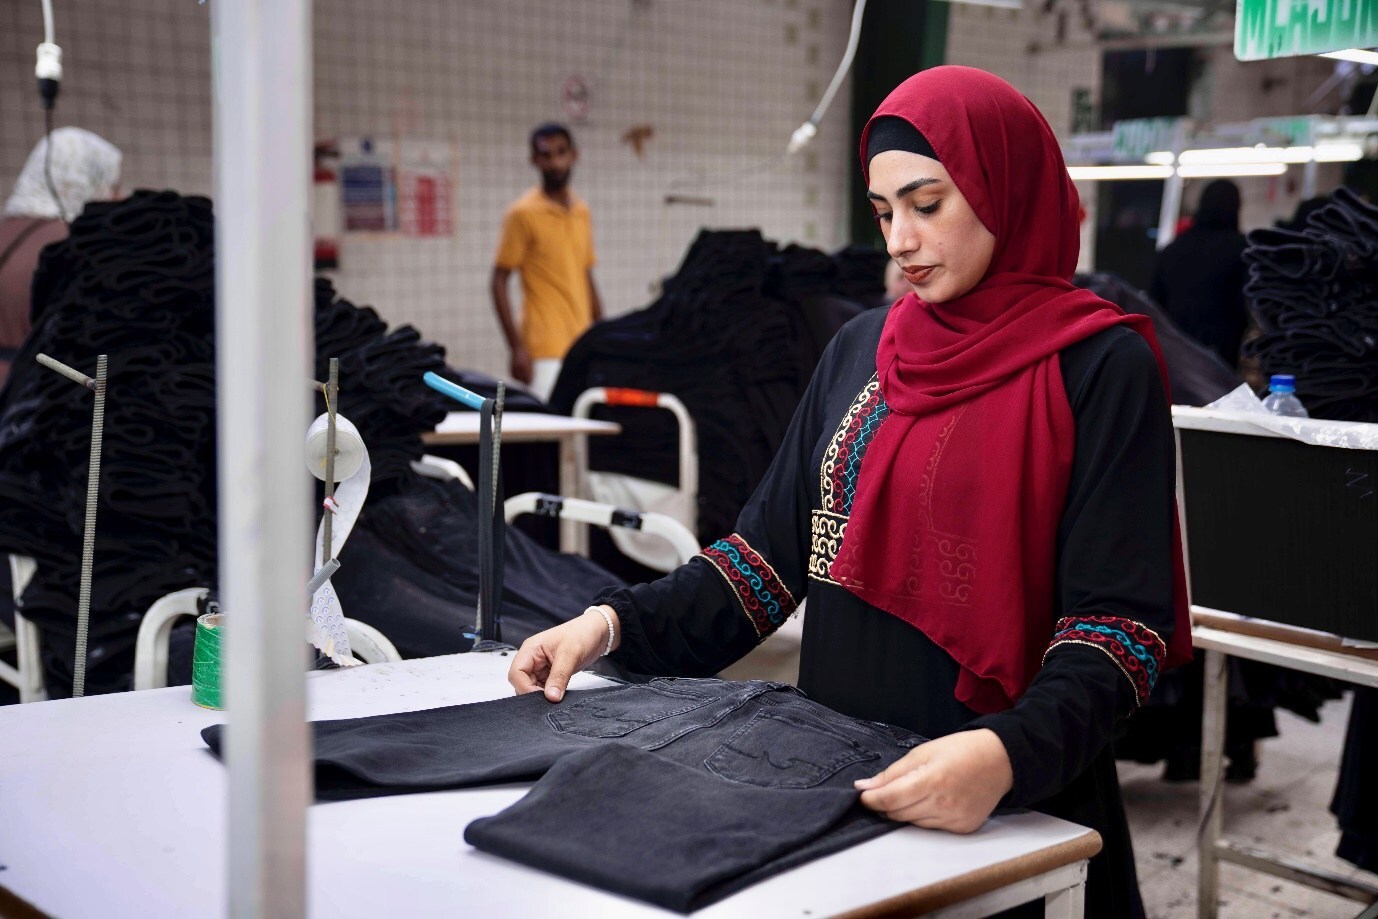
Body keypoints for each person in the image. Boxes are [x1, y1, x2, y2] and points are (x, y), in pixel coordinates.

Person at [509, 66, 1191, 918]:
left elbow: (1118, 630)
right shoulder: (863, 349)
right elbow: (760, 564)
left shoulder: (1100, 367)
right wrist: (608, 624)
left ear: (1001, 187)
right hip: (837, 792)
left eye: (927, 202)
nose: (900, 238)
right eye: (883, 212)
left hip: (1008, 808)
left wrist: (1007, 754)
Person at [0, 128, 121, 387]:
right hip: (32, 398)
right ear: (86, 180)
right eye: (112, 185)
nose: (118, 197)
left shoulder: (7, 231)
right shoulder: (73, 247)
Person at [490, 123, 603, 401]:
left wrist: (602, 332)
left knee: (582, 435)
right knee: (551, 437)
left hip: (583, 345)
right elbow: (498, 281)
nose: (555, 162)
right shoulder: (523, 213)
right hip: (544, 353)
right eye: (546, 155)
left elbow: (585, 274)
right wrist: (516, 347)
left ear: (574, 155)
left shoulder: (581, 211)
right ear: (535, 160)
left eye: (561, 153)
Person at [1149, 179, 1249, 367]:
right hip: (1222, 357)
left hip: (1175, 354)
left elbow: (1154, 304)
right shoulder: (1242, 250)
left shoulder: (1172, 250)